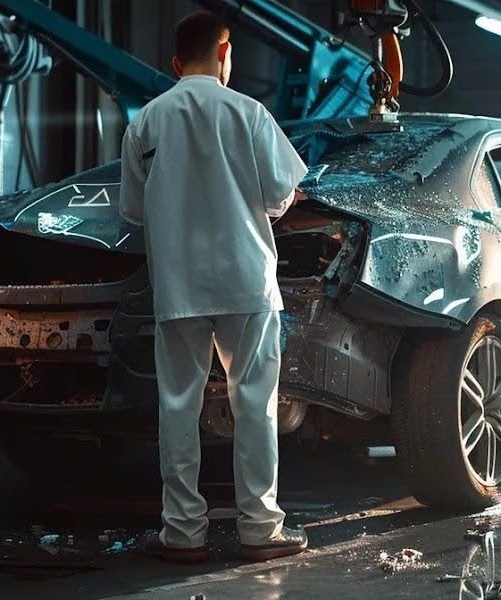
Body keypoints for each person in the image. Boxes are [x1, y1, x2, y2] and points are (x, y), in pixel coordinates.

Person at [118, 10, 309, 563]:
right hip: (245, 282)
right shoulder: (250, 113)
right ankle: (259, 530)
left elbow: (132, 211)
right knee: (255, 404)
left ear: (176, 63)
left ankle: (182, 533)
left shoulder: (147, 122)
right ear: (226, 54)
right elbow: (280, 198)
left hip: (178, 286)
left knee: (177, 406)